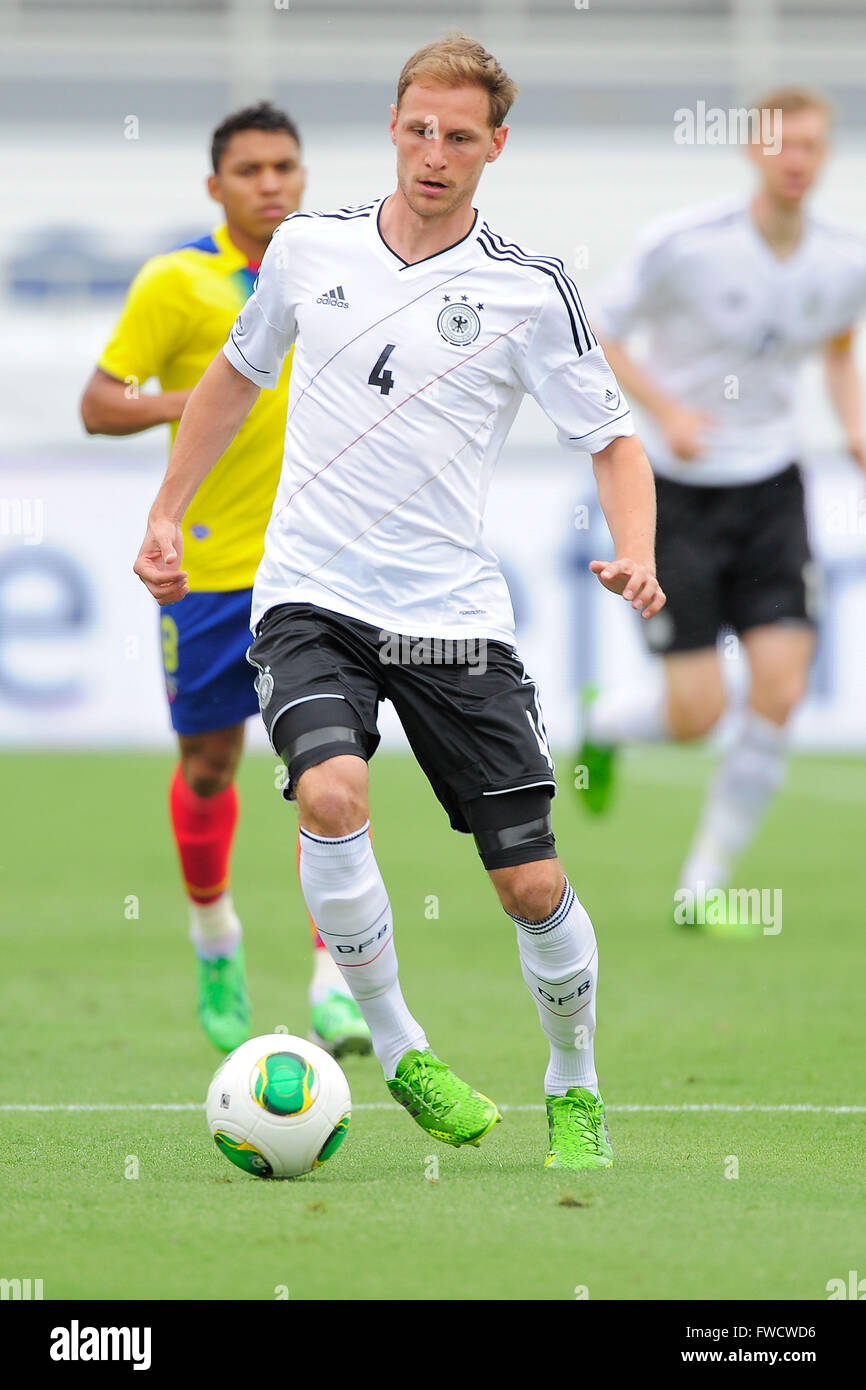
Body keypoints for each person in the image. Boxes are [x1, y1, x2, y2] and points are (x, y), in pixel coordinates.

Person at [133, 33, 664, 1170]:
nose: (433, 153)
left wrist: (635, 550)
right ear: (391, 124)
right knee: (327, 791)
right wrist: (168, 509)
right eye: (417, 128)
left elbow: (613, 437)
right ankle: (400, 1044)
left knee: (529, 880)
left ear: (494, 146)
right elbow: (234, 375)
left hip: (449, 617)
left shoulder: (526, 289)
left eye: (459, 136)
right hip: (309, 594)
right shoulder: (305, 249)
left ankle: (573, 1079)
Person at [82, 102, 372, 1056]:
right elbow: (101, 401)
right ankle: (216, 941)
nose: (270, 183)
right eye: (248, 169)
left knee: (327, 771)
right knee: (208, 765)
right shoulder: (177, 282)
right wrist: (205, 392)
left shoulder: (340, 271)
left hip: (322, 567)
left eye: (285, 165)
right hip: (211, 572)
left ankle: (335, 979)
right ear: (217, 186)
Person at [576, 87, 866, 928]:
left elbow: (840, 350)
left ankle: (700, 887)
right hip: (678, 493)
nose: (797, 160)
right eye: (783, 145)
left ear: (825, 154)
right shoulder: (686, 245)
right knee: (696, 714)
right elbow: (599, 330)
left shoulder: (842, 262)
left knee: (780, 685)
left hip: (775, 486)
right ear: (752, 151)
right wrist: (668, 413)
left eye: (812, 145)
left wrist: (852, 425)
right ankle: (609, 725)